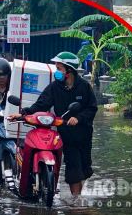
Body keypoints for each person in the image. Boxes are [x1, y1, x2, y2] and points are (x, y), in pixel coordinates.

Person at [10, 51, 98, 196]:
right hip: (66, 134)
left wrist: (79, 118)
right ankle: (76, 204)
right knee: (74, 168)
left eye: (59, 69)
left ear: (69, 71)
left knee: (84, 169)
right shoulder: (54, 87)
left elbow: (92, 108)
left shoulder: (84, 87)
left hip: (84, 134)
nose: (57, 72)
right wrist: (23, 114)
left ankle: (77, 196)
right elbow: (41, 104)